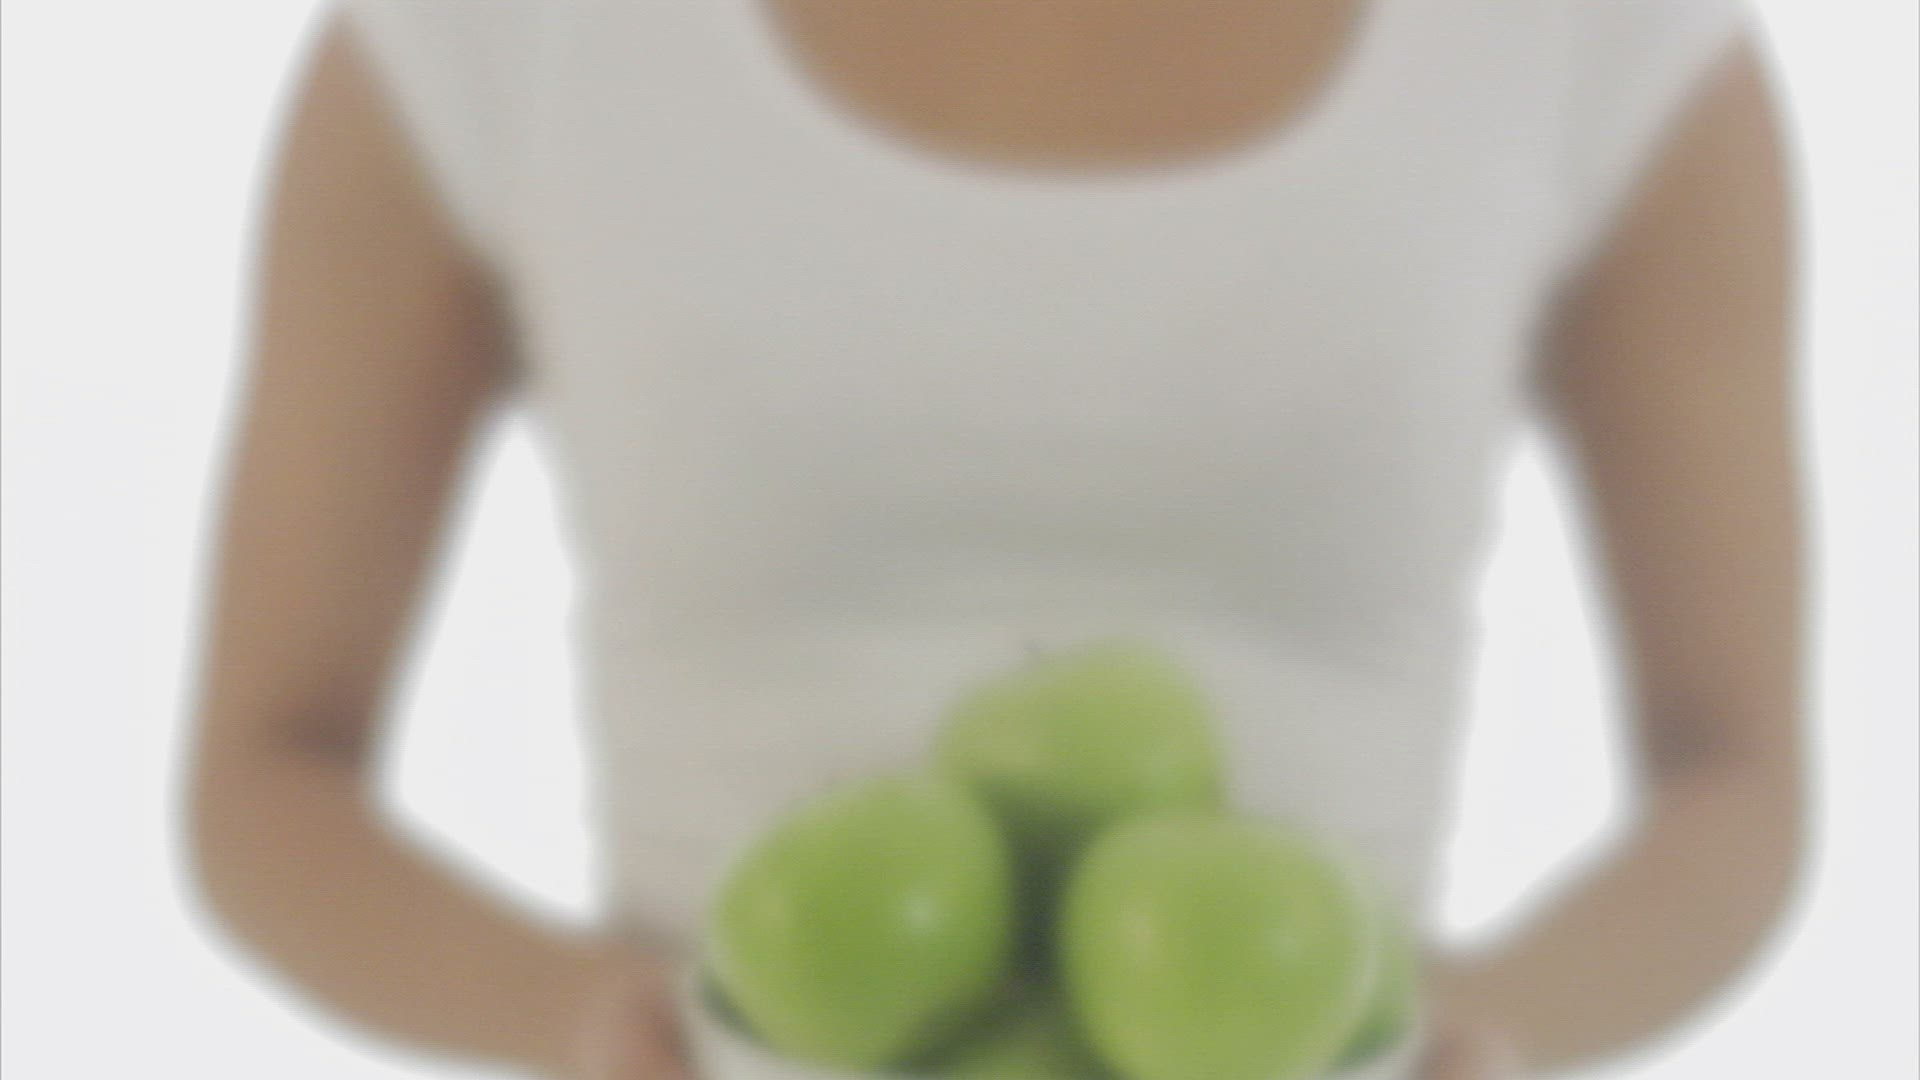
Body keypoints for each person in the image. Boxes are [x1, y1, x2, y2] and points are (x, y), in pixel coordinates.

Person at [183, 1, 1809, 1077]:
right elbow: (266, 768)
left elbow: (1738, 771)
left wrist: (1478, 1036)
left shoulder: (1596, 35)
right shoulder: (497, 29)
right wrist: (594, 1026)